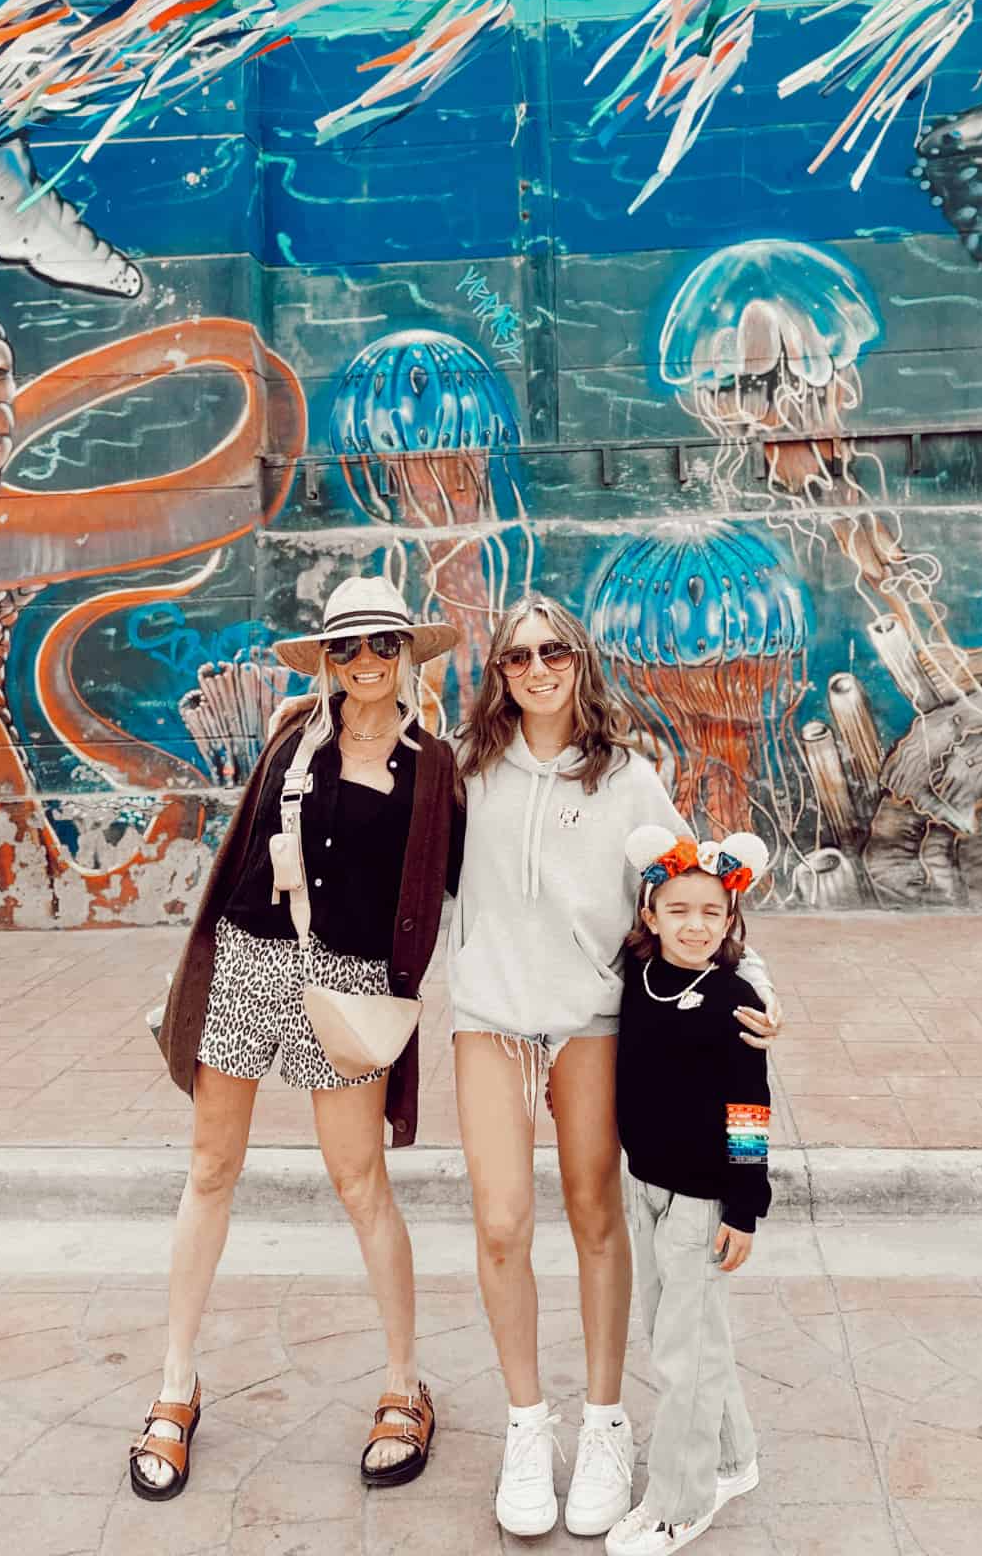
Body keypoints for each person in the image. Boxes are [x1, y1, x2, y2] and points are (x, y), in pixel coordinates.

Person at [450, 596, 782, 1539]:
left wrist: (752, 978)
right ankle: (527, 1427)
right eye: (518, 657)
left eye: (555, 651)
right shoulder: (467, 768)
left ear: (580, 662)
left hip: (592, 1020)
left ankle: (603, 1423)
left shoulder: (627, 776)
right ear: (500, 674)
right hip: (490, 1018)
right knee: (503, 1223)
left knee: (600, 1217)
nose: (538, 668)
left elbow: (696, 887)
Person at [132, 577, 465, 1501]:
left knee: (359, 1182)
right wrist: (190, 981)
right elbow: (241, 855)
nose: (363, 664)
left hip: (351, 980)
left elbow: (459, 886)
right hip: (250, 960)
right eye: (346, 648)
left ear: (408, 654)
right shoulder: (293, 737)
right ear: (326, 658)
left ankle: (405, 1386)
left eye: (381, 647)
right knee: (210, 1168)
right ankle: (174, 1384)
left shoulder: (433, 767)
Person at [604, 826, 773, 1556]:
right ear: (650, 914)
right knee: (684, 1339)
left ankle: (681, 1501)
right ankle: (734, 1460)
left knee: (684, 1355)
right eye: (678, 909)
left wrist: (744, 1205)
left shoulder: (734, 1000)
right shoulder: (637, 978)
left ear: (730, 921)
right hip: (643, 1185)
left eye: (711, 911)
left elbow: (749, 1112)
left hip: (703, 1200)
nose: (695, 925)